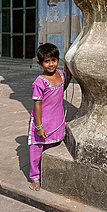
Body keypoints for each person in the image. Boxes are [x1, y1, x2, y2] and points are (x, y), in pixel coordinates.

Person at [28, 43, 72, 191]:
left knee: (51, 147)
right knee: (37, 150)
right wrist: (39, 127)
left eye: (53, 60)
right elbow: (37, 105)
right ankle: (35, 177)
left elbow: (61, 88)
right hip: (43, 121)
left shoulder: (60, 74)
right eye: (47, 61)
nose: (51, 64)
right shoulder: (39, 82)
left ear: (58, 59)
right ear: (40, 63)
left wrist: (69, 73)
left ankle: (47, 173)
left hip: (57, 120)